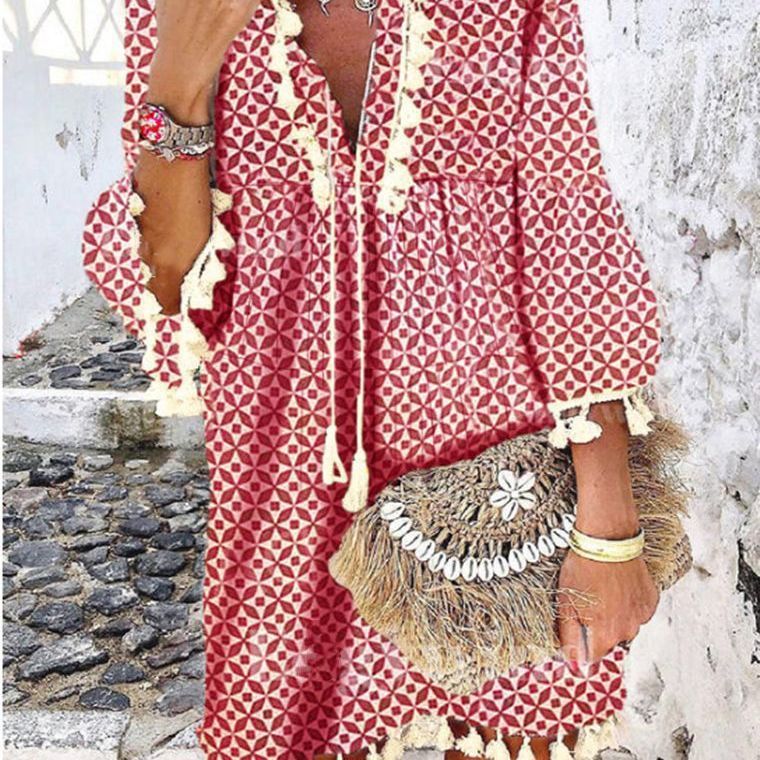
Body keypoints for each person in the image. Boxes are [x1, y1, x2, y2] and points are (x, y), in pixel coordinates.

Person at [82, 0, 668, 757]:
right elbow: (165, 282)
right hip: (286, 490)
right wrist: (182, 74)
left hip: (500, 479)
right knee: (296, 727)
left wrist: (610, 529)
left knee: (513, 731)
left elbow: (570, 230)